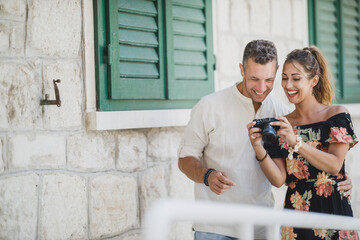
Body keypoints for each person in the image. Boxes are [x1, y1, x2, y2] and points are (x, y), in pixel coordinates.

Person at [178, 40, 353, 240]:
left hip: (262, 227)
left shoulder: (280, 115)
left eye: (269, 79)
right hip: (215, 227)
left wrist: (339, 179)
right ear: (241, 70)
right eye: (254, 78)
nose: (262, 88)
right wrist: (207, 175)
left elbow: (323, 165)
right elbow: (185, 158)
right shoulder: (209, 106)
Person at [247, 46, 358, 239]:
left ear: (314, 81)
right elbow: (279, 179)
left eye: (296, 78)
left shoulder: (337, 115)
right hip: (295, 221)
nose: (288, 85)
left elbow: (334, 165)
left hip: (333, 215)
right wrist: (257, 147)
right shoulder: (280, 123)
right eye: (284, 77)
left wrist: (295, 142)